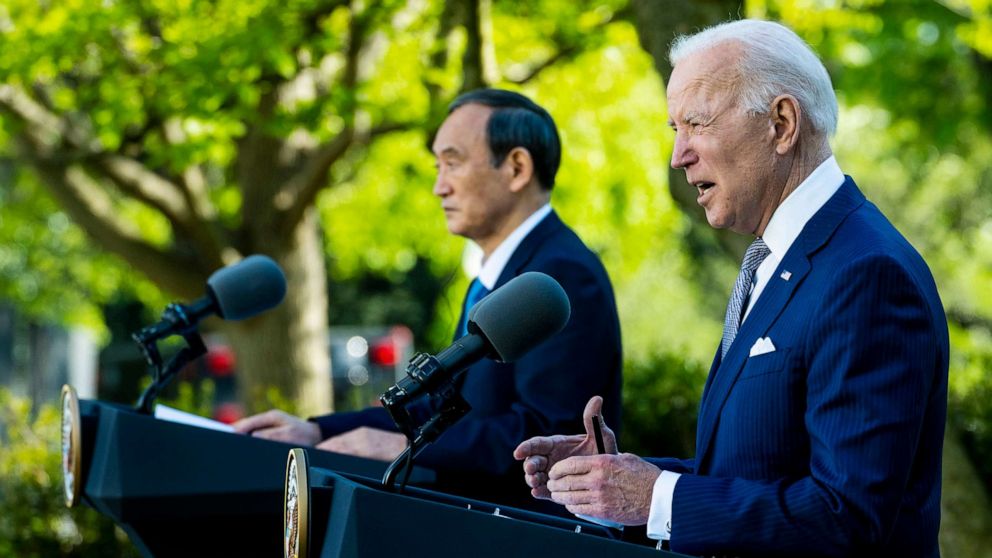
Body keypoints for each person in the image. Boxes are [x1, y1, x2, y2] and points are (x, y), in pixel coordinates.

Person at [514, 19, 948, 557]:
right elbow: (757, 472)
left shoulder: (866, 273)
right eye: (675, 129)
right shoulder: (775, 259)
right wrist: (614, 481)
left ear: (782, 123)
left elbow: (847, 516)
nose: (678, 155)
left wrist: (656, 499)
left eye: (696, 123)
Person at [234, 88, 623, 509]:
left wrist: (402, 445)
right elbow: (441, 411)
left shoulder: (557, 277)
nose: (439, 187)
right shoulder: (496, 277)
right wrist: (317, 432)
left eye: (453, 163)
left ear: (516, 167)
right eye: (437, 166)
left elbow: (547, 437)